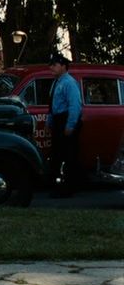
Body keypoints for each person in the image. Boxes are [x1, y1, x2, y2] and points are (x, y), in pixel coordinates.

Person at [46, 52, 83, 197]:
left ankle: (68, 189)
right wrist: (50, 121)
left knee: (68, 156)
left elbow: (75, 105)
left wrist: (70, 125)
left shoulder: (69, 83)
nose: (51, 68)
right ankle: (59, 186)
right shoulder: (56, 82)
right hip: (58, 120)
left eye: (54, 65)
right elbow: (52, 105)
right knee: (57, 154)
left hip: (66, 120)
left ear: (63, 66)